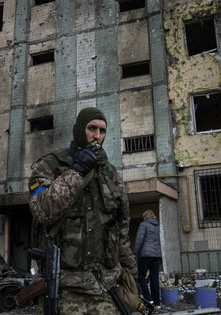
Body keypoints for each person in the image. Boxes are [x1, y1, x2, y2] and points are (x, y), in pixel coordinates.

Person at [28, 107, 137, 314]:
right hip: (64, 289)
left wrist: (133, 278)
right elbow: (42, 210)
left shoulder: (111, 174)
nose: (97, 136)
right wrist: (77, 171)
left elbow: (122, 233)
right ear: (79, 130)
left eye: (102, 131)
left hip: (107, 290)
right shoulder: (49, 166)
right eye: (92, 128)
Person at [133, 209, 162, 308]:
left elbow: (139, 239)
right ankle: (157, 303)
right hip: (156, 256)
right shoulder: (157, 226)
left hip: (145, 255)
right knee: (154, 278)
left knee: (141, 276)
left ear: (145, 216)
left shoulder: (143, 224)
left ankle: (149, 300)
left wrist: (134, 252)